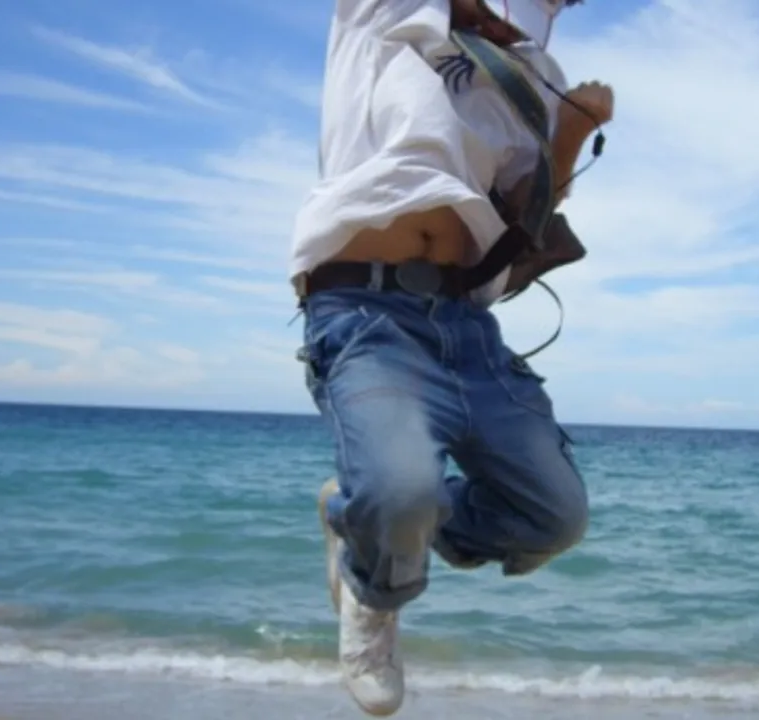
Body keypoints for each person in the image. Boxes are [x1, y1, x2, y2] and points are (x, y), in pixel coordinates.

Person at [289, 0, 613, 715]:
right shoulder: (383, 18)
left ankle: (362, 516)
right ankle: (375, 592)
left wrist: (571, 131)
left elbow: (527, 208)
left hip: (466, 324)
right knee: (402, 491)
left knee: (553, 517)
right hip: (367, 311)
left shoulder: (532, 74)